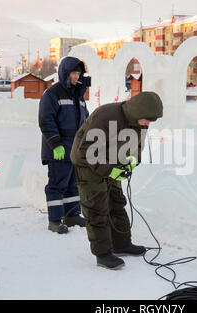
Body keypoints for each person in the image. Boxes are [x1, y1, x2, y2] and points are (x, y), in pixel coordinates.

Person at [70, 91, 163, 270]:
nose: (148, 124)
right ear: (138, 112)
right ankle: (103, 254)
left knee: (116, 202)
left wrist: (132, 162)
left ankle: (121, 245)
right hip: (87, 162)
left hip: (111, 161)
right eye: (147, 119)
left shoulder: (140, 121)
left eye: (152, 121)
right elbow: (87, 150)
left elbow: (136, 146)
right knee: (96, 207)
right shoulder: (107, 116)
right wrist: (109, 171)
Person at [38, 56, 90, 234]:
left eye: (78, 73)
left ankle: (72, 215)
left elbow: (86, 120)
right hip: (58, 149)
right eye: (74, 73)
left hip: (75, 149)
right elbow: (46, 120)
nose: (77, 77)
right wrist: (55, 144)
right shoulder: (53, 94)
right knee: (57, 184)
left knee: (72, 184)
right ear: (65, 73)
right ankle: (54, 220)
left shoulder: (79, 96)